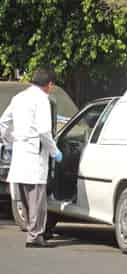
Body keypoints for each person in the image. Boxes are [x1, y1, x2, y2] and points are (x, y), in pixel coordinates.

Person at [0, 68, 63, 248]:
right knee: (37, 199)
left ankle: (33, 231)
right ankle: (35, 236)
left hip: (20, 153)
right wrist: (54, 151)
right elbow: (44, 131)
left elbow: (3, 123)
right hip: (35, 153)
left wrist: (11, 139)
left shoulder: (18, 98)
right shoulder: (42, 100)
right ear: (49, 84)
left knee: (25, 198)